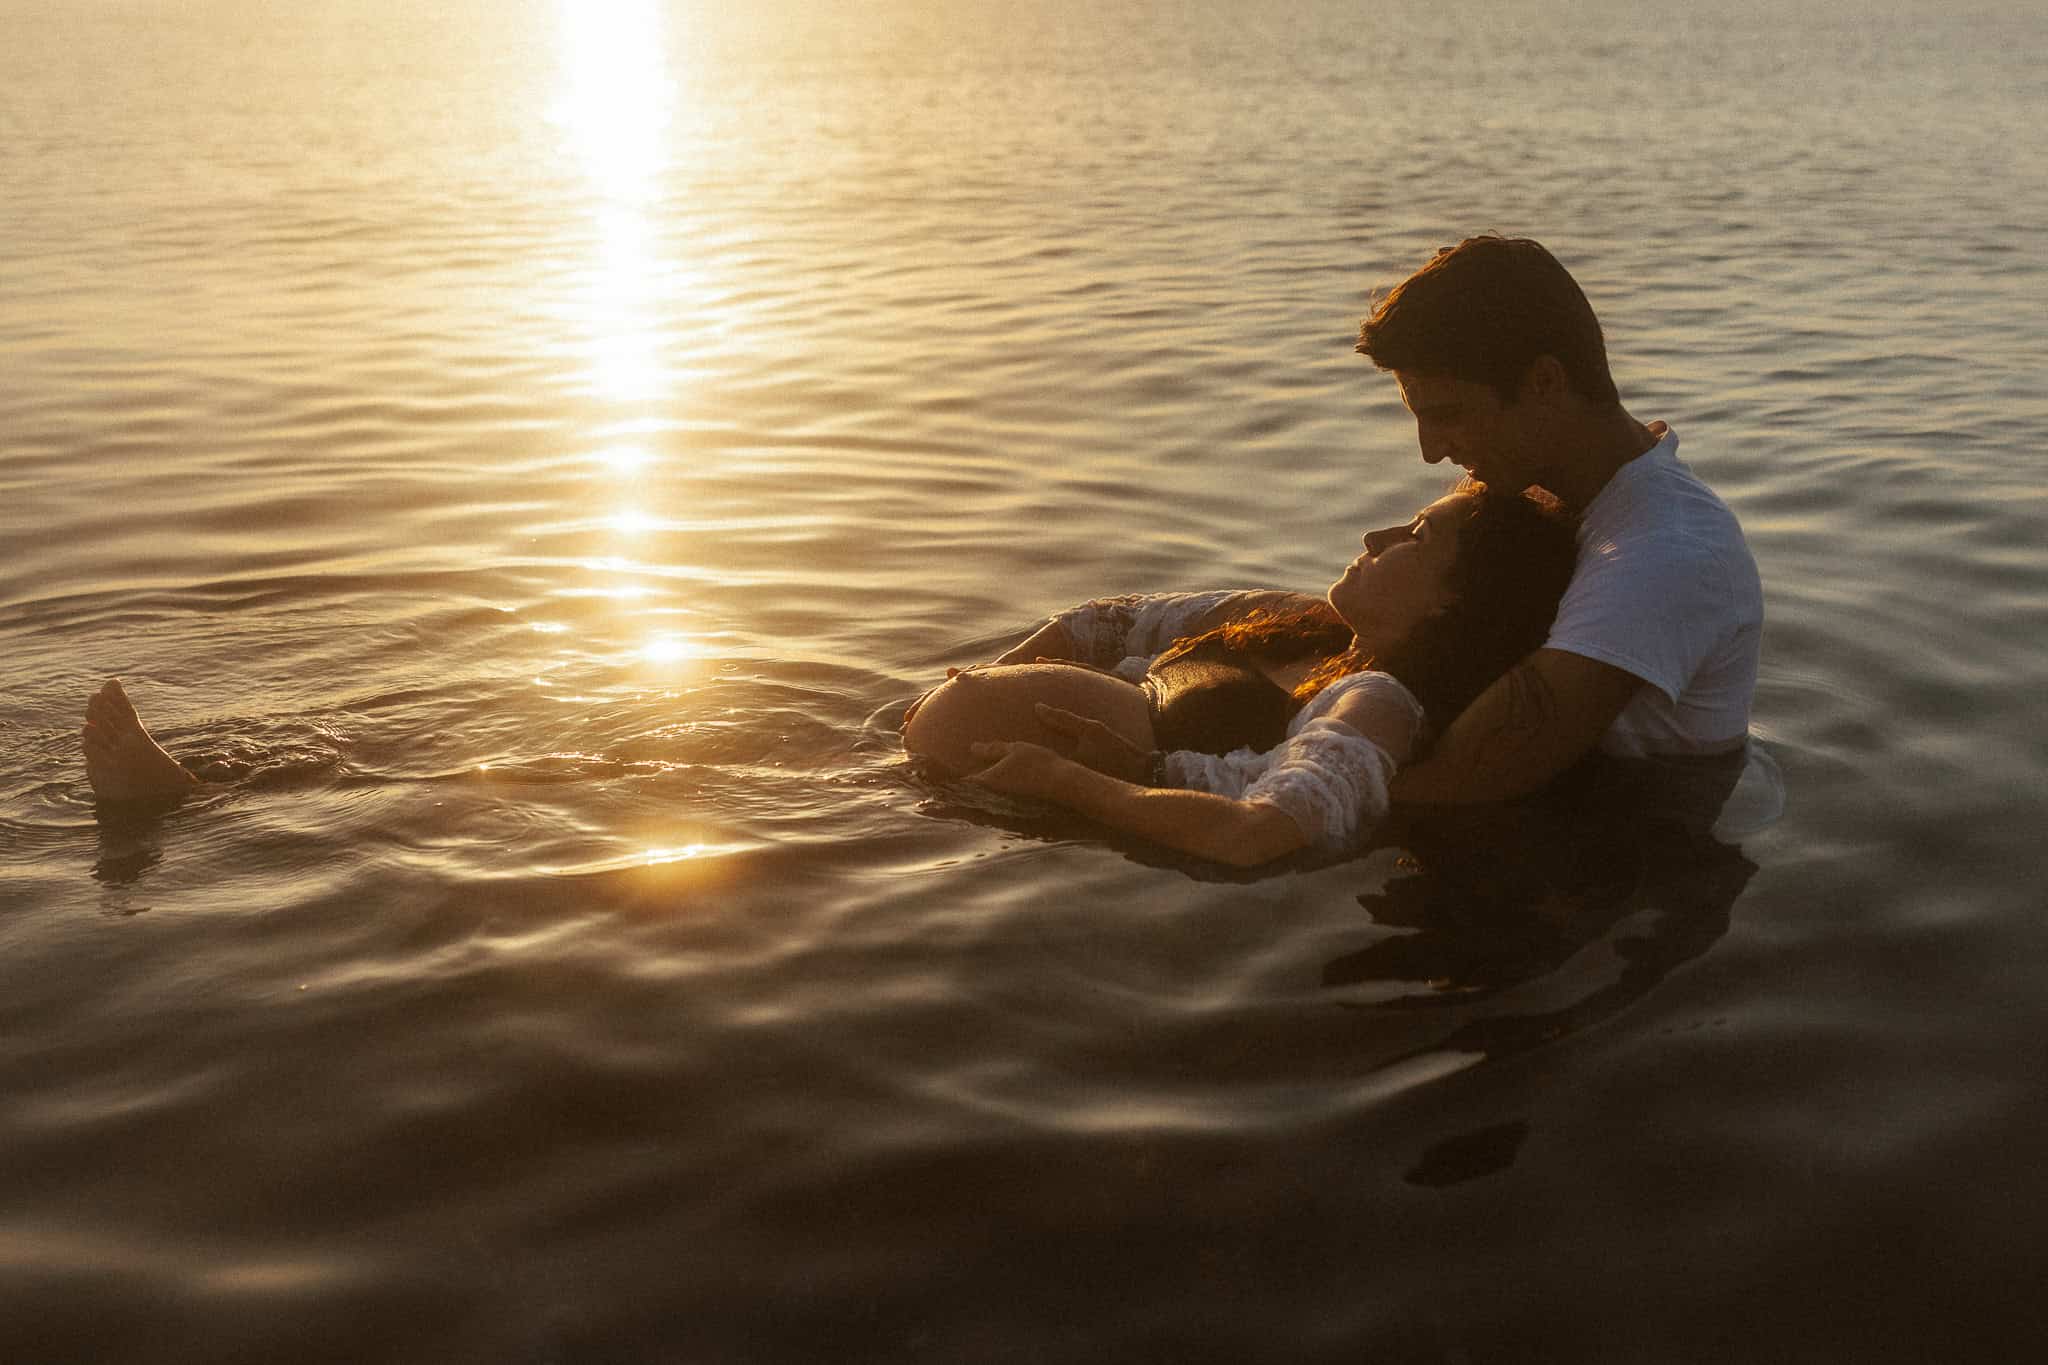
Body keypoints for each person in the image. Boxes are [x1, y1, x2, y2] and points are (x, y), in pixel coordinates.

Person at [903, 486, 1576, 868]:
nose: (1377, 535)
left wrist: (1062, 780)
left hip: (981, 827)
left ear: (1453, 603)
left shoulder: (1376, 703)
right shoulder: (1302, 620)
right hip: (927, 791)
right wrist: (992, 677)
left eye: (1418, 535)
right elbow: (1109, 620)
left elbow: (1253, 833)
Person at [1351, 234, 1763, 807]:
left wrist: (1264, 791)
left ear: (1545, 382)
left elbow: (1461, 778)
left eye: (1448, 415)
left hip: (1626, 862)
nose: (1430, 451)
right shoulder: (1557, 494)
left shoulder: (1664, 552)